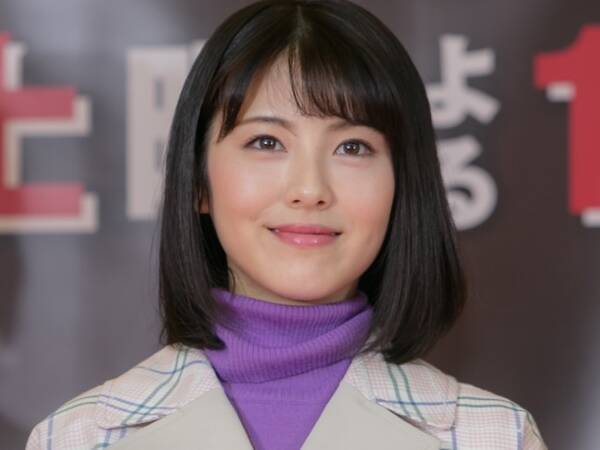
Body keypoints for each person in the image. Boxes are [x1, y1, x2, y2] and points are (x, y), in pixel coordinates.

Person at [25, 1, 548, 449]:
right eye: (266, 142)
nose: (309, 188)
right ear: (199, 182)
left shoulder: (491, 436)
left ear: (403, 185)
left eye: (353, 147)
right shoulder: (82, 437)